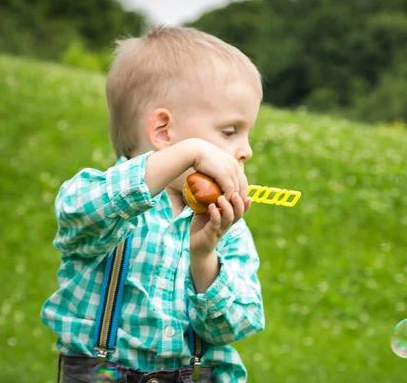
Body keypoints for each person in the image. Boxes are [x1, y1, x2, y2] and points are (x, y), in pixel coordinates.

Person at [40, 25, 265, 383]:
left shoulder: (224, 225)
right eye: (229, 131)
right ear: (163, 131)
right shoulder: (109, 198)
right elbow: (77, 212)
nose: (247, 149)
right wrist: (188, 154)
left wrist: (204, 257)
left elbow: (236, 326)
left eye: (247, 133)